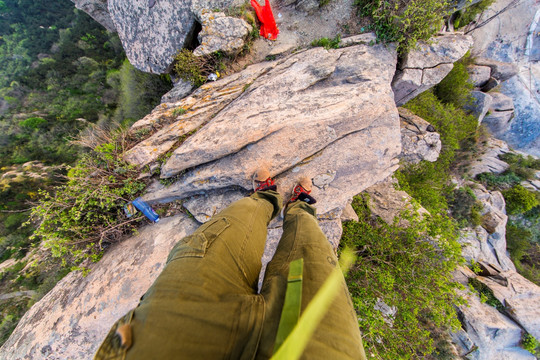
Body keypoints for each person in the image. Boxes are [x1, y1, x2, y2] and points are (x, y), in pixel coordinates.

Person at [94, 167, 366, 360]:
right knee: (312, 249)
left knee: (230, 229)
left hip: (172, 336)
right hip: (315, 348)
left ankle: (266, 199)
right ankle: (296, 207)